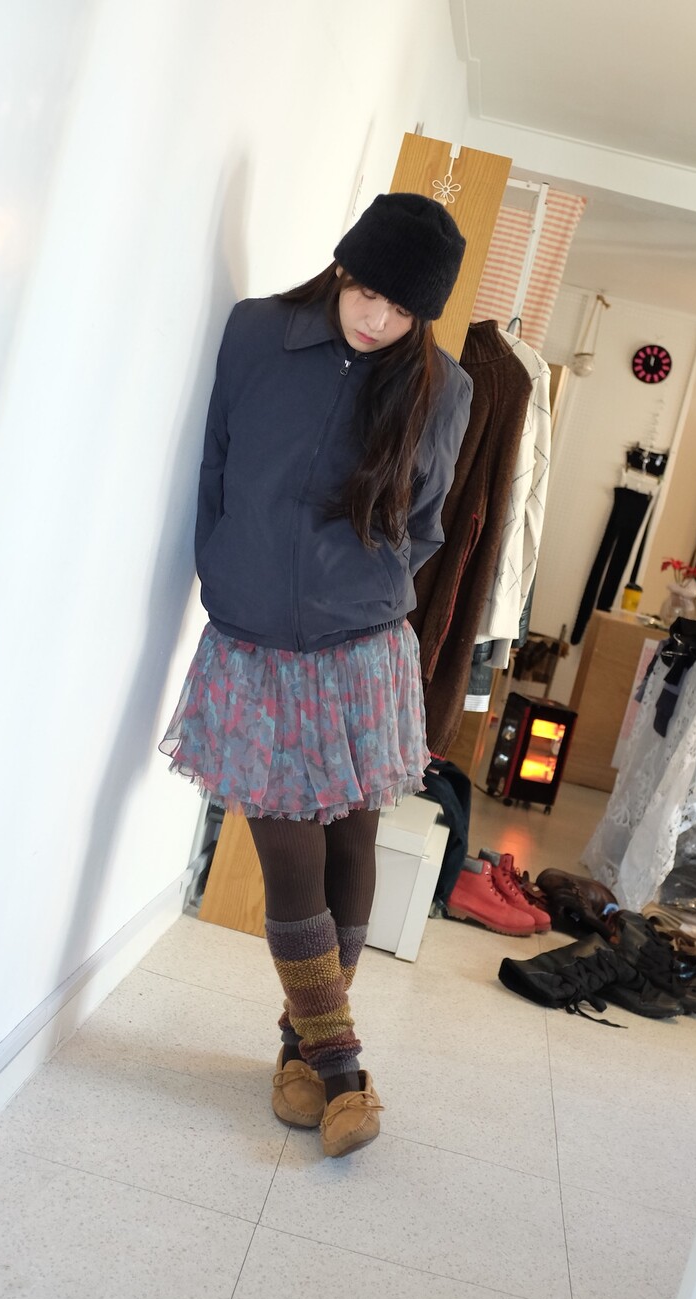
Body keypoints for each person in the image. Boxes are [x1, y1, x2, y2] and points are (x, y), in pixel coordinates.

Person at [160, 192, 472, 1156]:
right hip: (254, 642)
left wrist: (360, 588)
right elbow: (216, 462)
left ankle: (299, 1049)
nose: (377, 319)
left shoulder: (444, 388)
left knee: (351, 845)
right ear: (343, 267)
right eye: (368, 292)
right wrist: (226, 570)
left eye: (402, 309)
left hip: (361, 646)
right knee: (290, 856)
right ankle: (343, 1070)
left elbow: (426, 524)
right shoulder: (256, 332)